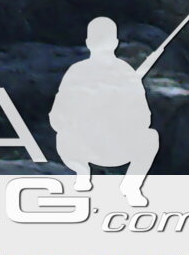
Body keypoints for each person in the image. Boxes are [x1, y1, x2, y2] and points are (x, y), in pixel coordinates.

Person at [49, 18, 159, 205]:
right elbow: (58, 117)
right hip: (89, 146)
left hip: (109, 145)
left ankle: (128, 186)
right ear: (115, 43)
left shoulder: (82, 71)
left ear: (88, 42)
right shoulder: (84, 72)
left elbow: (57, 117)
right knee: (150, 137)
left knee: (150, 137)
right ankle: (83, 175)